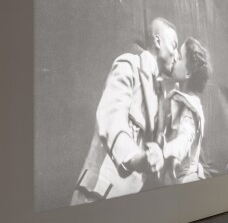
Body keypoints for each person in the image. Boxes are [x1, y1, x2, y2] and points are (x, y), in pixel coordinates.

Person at [70, 17, 179, 204]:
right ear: (158, 41)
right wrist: (136, 158)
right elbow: (112, 119)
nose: (176, 54)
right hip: (98, 195)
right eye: (174, 45)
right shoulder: (129, 65)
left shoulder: (161, 92)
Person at [161, 37, 211, 185]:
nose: (174, 57)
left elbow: (185, 136)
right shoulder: (176, 97)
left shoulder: (191, 106)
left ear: (188, 73)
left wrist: (173, 155)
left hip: (187, 181)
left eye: (180, 57)